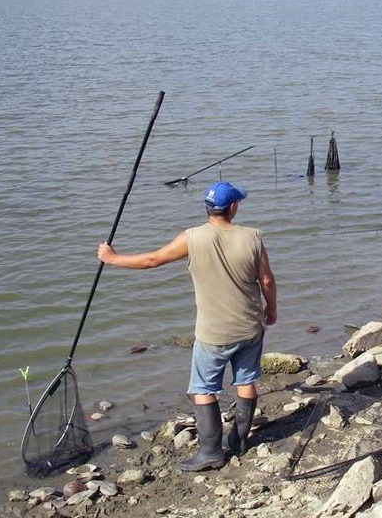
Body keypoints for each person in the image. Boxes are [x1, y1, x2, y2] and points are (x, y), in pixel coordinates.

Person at [98, 180, 277, 472]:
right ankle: (240, 441)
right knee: (245, 381)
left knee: (203, 389)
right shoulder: (253, 237)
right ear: (232, 208)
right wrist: (272, 310)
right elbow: (267, 280)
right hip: (250, 326)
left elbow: (152, 260)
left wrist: (113, 259)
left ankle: (210, 453)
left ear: (209, 208)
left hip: (213, 333)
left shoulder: (191, 238)